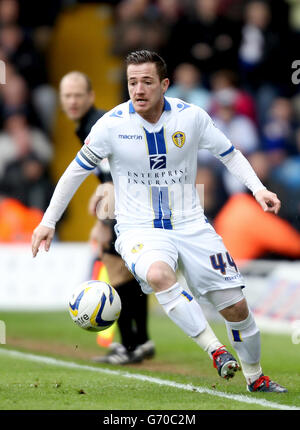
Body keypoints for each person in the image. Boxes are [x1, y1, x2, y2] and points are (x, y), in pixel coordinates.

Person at [32, 50, 287, 393]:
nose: (138, 90)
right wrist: (48, 221)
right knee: (157, 274)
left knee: (237, 308)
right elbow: (74, 173)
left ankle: (256, 376)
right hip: (139, 229)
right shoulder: (111, 124)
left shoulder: (191, 117)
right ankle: (217, 350)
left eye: (147, 82)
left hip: (191, 224)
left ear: (164, 85)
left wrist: (258, 189)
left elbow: (229, 153)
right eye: (132, 82)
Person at [58, 71, 155, 364]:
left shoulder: (95, 125)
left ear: (90, 96)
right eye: (67, 96)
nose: (72, 101)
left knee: (116, 270)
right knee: (129, 274)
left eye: (78, 95)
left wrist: (103, 223)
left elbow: (114, 176)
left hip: (131, 200)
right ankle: (141, 341)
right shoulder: (91, 123)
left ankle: (128, 346)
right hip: (138, 197)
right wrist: (101, 191)